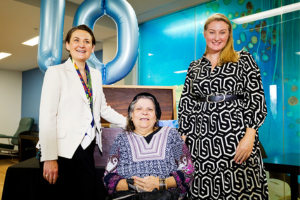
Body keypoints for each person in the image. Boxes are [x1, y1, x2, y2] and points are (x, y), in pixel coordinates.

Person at [178, 13, 268, 199]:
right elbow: (186, 104)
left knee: (239, 190)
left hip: (235, 138)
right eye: (212, 32)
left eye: (222, 32)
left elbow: (256, 98)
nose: (217, 37)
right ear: (204, 34)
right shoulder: (194, 67)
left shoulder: (243, 59)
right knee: (203, 190)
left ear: (229, 35)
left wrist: (250, 136)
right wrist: (182, 142)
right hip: (200, 142)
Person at [37, 25, 126, 200]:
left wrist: (131, 123)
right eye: (76, 40)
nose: (82, 45)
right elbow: (47, 116)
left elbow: (102, 109)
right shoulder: (55, 72)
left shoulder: (95, 75)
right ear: (68, 45)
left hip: (86, 150)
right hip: (61, 152)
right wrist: (49, 158)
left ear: (93, 48)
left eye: (87, 42)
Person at [103, 92, 194, 200]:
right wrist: (134, 185)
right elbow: (108, 178)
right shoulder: (121, 138)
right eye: (139, 109)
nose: (144, 112)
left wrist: (161, 183)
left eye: (150, 109)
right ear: (131, 115)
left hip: (165, 196)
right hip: (130, 196)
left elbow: (188, 171)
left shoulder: (171, 134)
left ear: (156, 116)